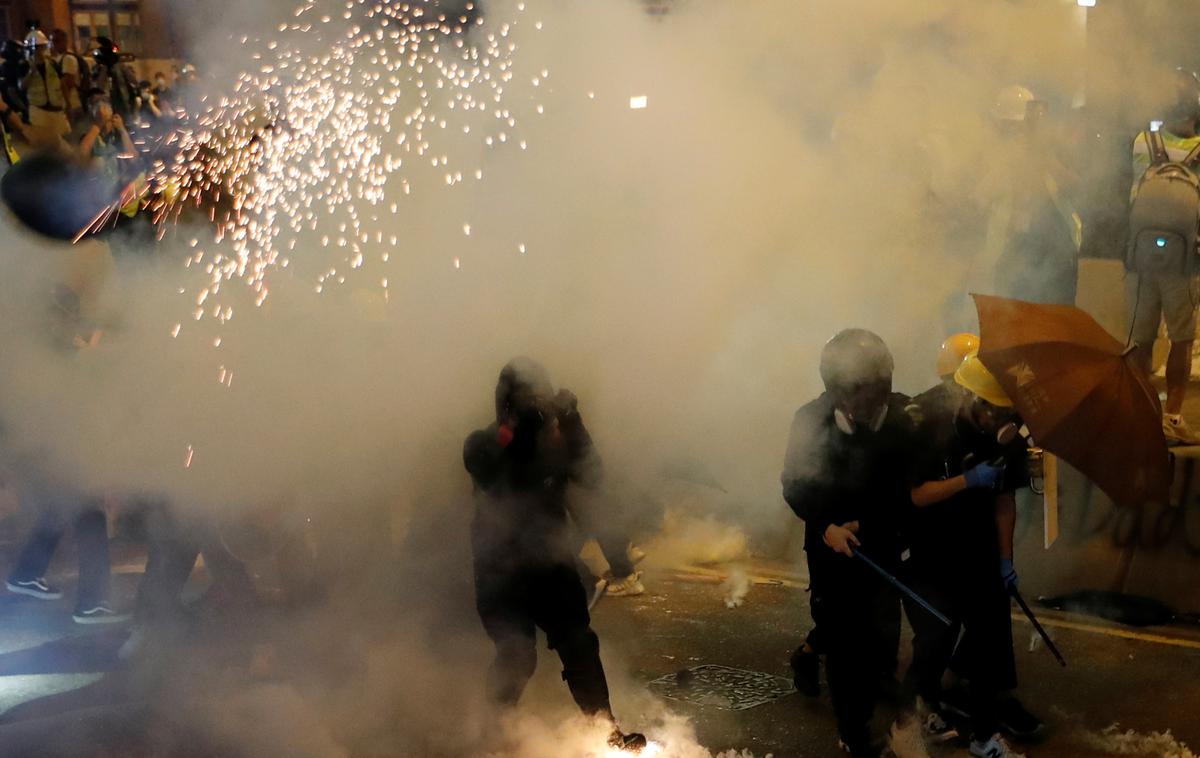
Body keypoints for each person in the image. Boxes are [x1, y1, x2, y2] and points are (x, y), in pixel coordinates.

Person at [463, 358, 646, 753]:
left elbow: (592, 475)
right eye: (529, 397)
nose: (537, 407)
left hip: (551, 560)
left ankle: (605, 730)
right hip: (501, 568)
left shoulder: (556, 441)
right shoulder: (485, 441)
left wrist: (573, 420)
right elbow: (486, 466)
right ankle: (494, 728)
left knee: (579, 644)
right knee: (516, 653)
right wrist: (515, 425)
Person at [781, 330, 920, 758]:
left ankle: (857, 674)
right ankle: (852, 729)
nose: (872, 398)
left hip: (881, 543)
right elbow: (794, 485)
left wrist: (877, 522)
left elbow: (906, 488)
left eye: (879, 385)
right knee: (843, 640)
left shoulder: (899, 419)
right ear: (836, 387)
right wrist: (826, 526)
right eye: (861, 389)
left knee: (881, 631)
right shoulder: (810, 420)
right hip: (832, 548)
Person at [905, 352, 1041, 758]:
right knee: (935, 638)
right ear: (970, 399)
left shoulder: (1008, 437)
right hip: (934, 551)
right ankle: (916, 710)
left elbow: (1004, 502)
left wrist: (1005, 560)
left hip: (980, 553)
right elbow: (917, 494)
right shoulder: (930, 428)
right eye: (992, 411)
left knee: (987, 646)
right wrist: (966, 480)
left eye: (1005, 412)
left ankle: (984, 737)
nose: (998, 421)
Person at [1127, 69, 1200, 444]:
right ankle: (1172, 416)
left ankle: (1142, 415)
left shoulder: (1143, 142)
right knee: (1182, 338)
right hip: (1185, 259)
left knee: (1140, 339)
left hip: (1140, 257)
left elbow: (1134, 191)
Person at [20, 30, 70, 145]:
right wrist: (32, 71)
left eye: (41, 47)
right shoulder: (25, 65)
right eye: (37, 47)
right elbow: (22, 86)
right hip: (38, 110)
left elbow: (63, 84)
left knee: (63, 143)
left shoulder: (52, 63)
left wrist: (67, 104)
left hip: (56, 109)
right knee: (44, 145)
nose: (39, 50)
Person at [49, 29, 83, 122]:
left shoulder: (68, 58)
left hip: (71, 104)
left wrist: (68, 105)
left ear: (65, 42)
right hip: (65, 104)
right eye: (52, 41)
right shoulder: (58, 58)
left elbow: (69, 82)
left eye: (56, 41)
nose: (53, 44)